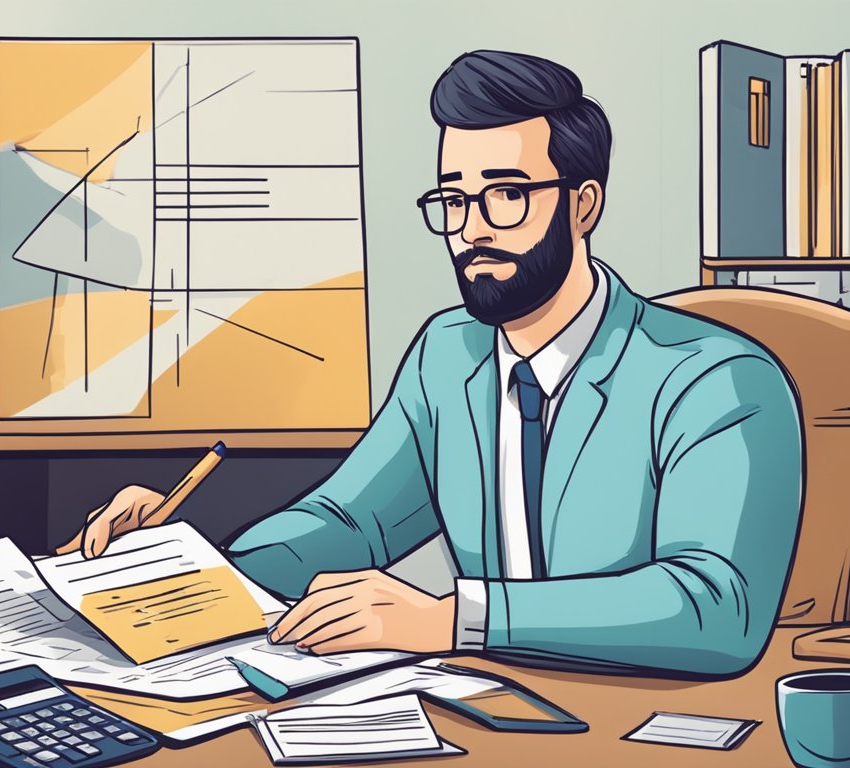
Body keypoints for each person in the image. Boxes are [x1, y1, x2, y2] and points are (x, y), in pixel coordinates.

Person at [58, 49, 804, 678]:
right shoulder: (449, 355)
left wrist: (454, 619)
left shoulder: (718, 378)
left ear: (583, 206)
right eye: (453, 199)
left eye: (506, 196)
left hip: (648, 719)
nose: (471, 230)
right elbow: (347, 521)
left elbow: (715, 607)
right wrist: (187, 570)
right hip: (489, 714)